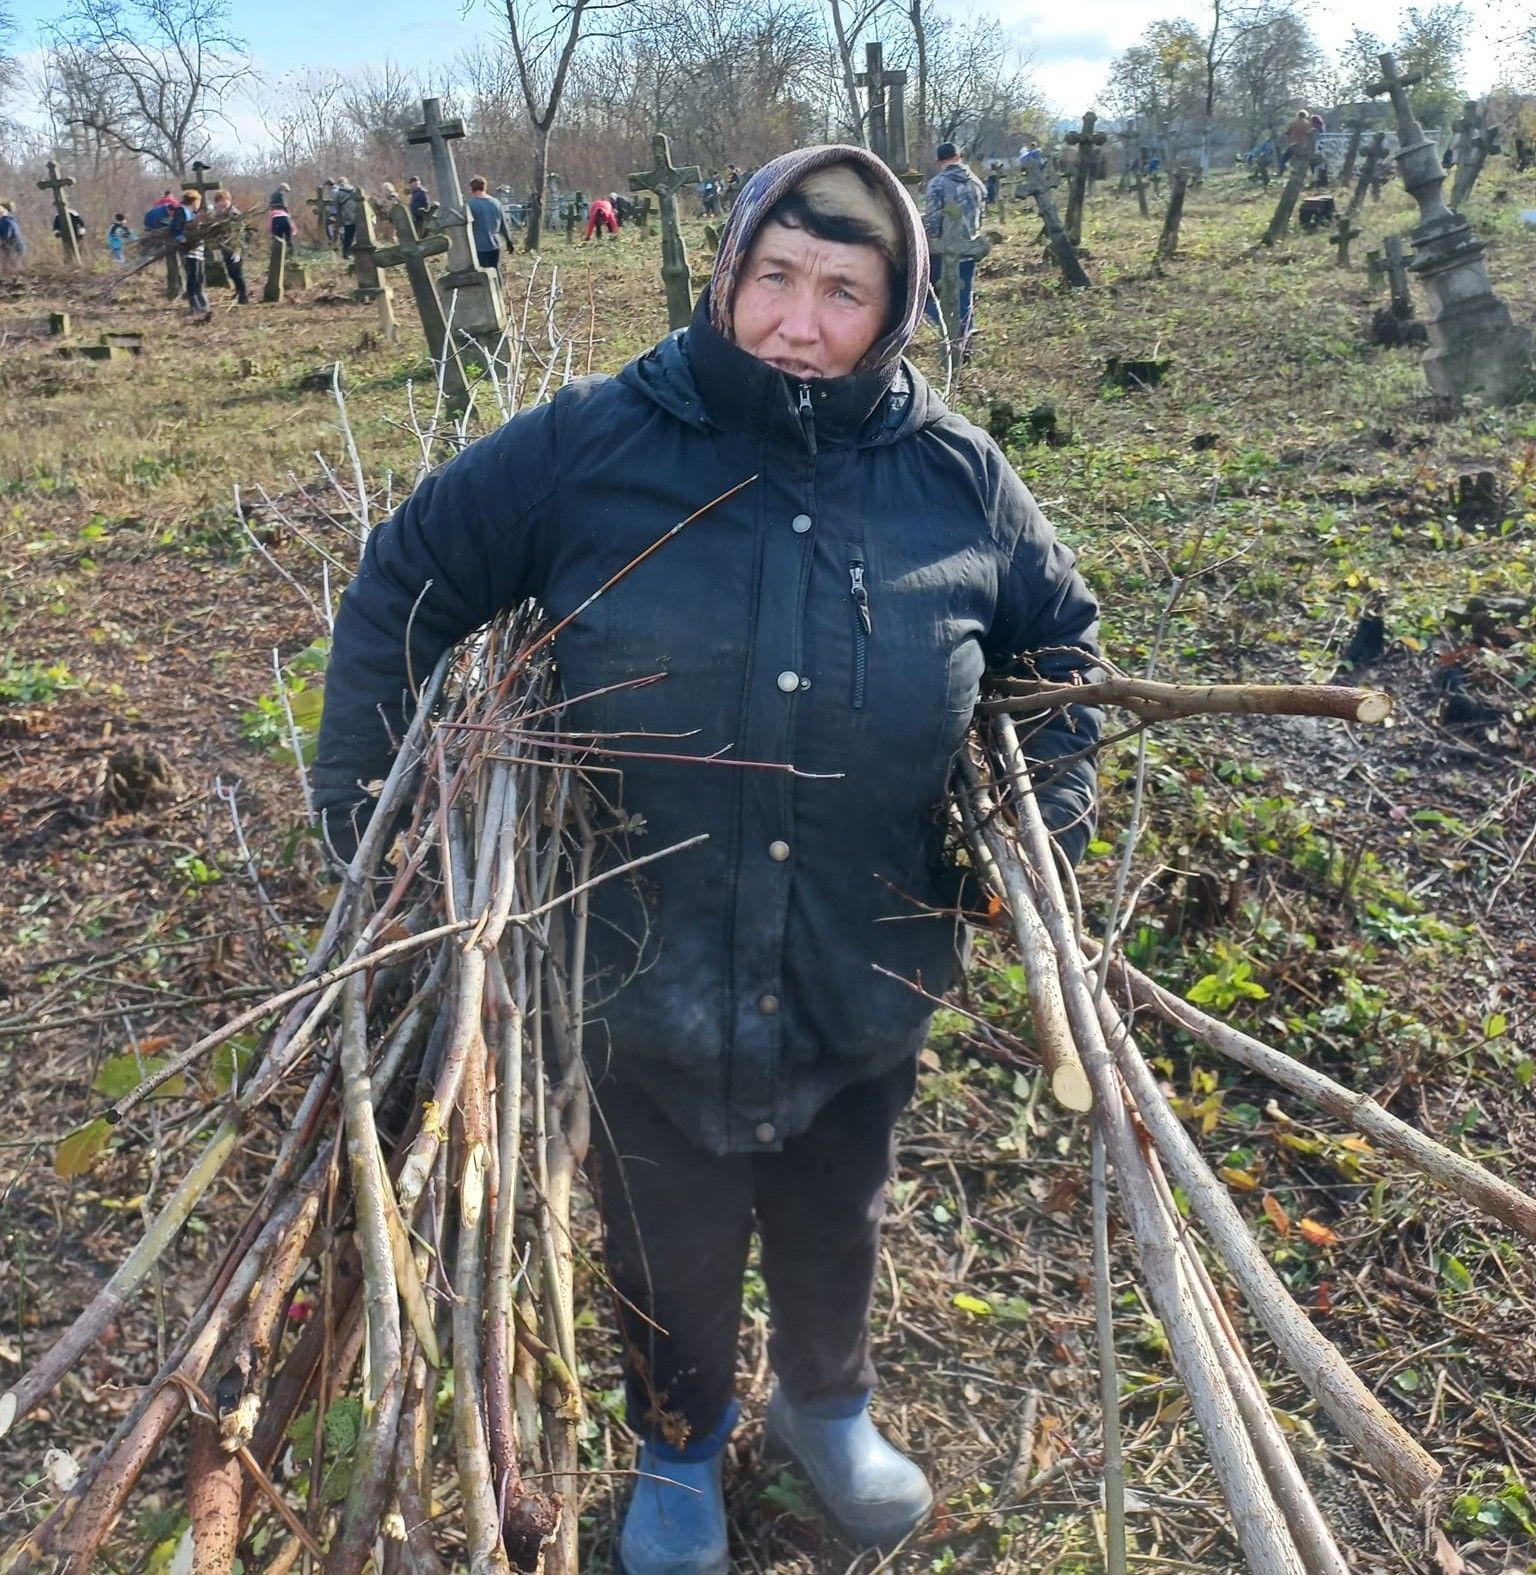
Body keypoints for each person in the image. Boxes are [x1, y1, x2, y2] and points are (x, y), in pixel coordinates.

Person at [312, 143, 1099, 1575]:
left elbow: (1058, 646)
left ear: (898, 306)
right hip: (643, 954)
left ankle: (823, 1405)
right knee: (662, 1221)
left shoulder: (956, 477)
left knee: (835, 1204)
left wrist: (1049, 808)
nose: (803, 322)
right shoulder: (596, 443)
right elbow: (402, 584)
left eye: (845, 292)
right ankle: (679, 1440)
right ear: (728, 271)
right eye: (778, 278)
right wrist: (379, 817)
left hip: (862, 953)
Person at [923, 140, 987, 347]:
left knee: (928, 299)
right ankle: (966, 343)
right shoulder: (977, 183)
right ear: (959, 158)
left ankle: (953, 337)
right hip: (970, 250)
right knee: (965, 299)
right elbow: (982, 215)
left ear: (940, 162)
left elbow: (932, 223)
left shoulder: (937, 184)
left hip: (944, 252)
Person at [170, 188, 210, 322]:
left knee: (200, 277)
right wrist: (181, 238)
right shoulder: (181, 211)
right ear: (193, 201)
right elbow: (175, 229)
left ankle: (203, 305)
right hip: (188, 250)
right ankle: (195, 306)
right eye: (198, 201)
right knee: (193, 277)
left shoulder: (194, 213)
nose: (198, 204)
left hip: (198, 249)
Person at [210, 189, 250, 304]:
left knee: (237, 272)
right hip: (225, 247)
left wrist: (238, 250)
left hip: (237, 247)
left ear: (229, 200)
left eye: (224, 200)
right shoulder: (218, 215)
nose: (222, 203)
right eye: (219, 201)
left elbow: (241, 234)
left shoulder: (234, 214)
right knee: (231, 272)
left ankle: (243, 296)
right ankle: (238, 292)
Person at [466, 176, 507, 270]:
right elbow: (503, 224)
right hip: (496, 244)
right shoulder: (496, 202)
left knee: (483, 274)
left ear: (472, 189)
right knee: (495, 271)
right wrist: (509, 241)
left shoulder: (470, 205)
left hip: (479, 246)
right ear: (485, 187)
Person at [334, 179, 360, 258]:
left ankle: (346, 253)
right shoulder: (354, 191)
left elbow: (336, 205)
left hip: (347, 217)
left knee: (348, 236)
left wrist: (339, 218)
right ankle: (356, 252)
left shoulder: (339, 193)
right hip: (358, 216)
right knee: (358, 235)